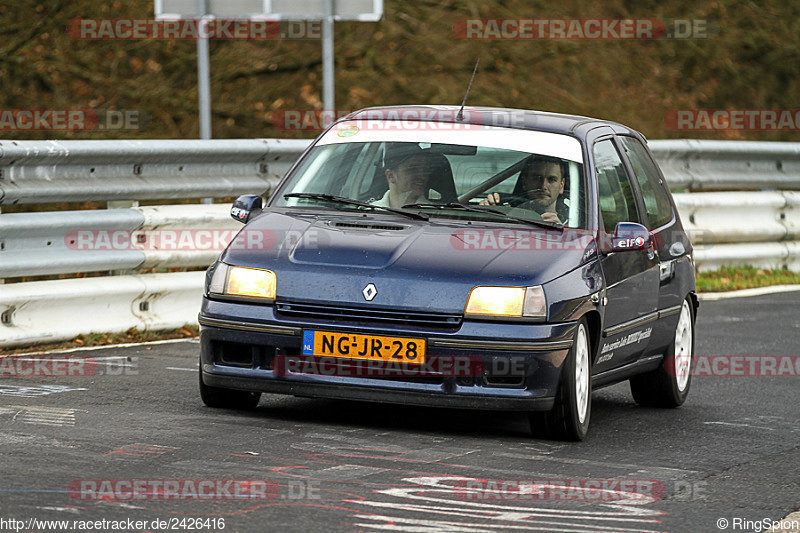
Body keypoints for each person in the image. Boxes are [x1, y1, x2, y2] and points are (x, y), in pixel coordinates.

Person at [480, 156, 566, 224]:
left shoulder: (574, 220)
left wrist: (563, 230)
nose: (543, 186)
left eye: (552, 180)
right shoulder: (507, 212)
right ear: (524, 182)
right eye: (537, 178)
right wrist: (487, 211)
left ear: (561, 186)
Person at [372, 144, 434, 209]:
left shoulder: (434, 213)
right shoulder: (369, 212)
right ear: (390, 176)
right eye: (413, 170)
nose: (422, 176)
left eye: (425, 170)